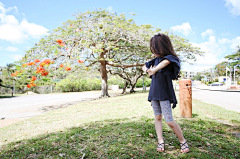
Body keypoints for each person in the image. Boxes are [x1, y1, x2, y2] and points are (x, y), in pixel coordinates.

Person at [142, 33, 189, 153]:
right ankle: (160, 141)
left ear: (161, 47)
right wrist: (147, 69)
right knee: (157, 117)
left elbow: (165, 63)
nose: (153, 50)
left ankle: (183, 141)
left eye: (155, 47)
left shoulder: (170, 58)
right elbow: (144, 66)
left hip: (165, 94)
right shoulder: (154, 60)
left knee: (169, 120)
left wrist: (154, 70)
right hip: (154, 93)